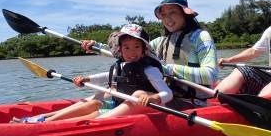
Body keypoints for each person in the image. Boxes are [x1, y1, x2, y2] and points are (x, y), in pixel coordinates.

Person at [86, 0, 218, 111]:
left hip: (191, 103)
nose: (167, 19)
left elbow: (211, 75)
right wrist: (96, 47)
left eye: (172, 12)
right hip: (164, 98)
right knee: (109, 91)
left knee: (138, 95)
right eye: (164, 14)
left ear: (184, 13)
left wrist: (168, 69)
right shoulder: (161, 41)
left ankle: (97, 122)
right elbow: (127, 51)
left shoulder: (200, 37)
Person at [11, 24, 172, 122]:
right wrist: (87, 78)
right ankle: (46, 119)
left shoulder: (149, 69)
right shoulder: (120, 66)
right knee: (101, 98)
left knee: (137, 93)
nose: (132, 52)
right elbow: (105, 76)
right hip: (121, 106)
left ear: (143, 50)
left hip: (147, 106)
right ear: (120, 50)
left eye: (137, 47)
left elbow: (168, 93)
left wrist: (154, 97)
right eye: (127, 47)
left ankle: (97, 123)